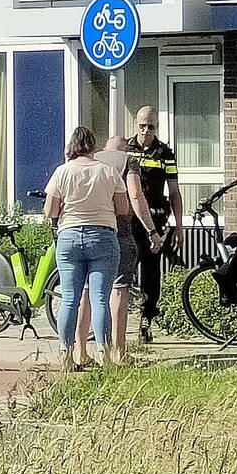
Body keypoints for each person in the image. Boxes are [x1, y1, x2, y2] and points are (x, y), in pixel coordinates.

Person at [44, 127, 129, 371]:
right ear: (94, 147)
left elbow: (51, 210)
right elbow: (122, 208)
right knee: (100, 299)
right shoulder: (108, 171)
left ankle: (66, 355)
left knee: (70, 299)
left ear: (72, 146)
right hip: (103, 236)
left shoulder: (62, 172)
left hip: (69, 237)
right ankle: (105, 354)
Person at [74, 137, 163, 365]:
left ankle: (80, 351)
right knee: (118, 289)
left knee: (86, 292)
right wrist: (151, 230)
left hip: (82, 233)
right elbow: (135, 196)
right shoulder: (128, 162)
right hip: (118, 233)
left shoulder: (87, 162)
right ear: (125, 150)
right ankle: (117, 351)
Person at [125, 106, 183, 344]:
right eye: (142, 126)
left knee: (151, 274)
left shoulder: (165, 153)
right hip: (128, 222)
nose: (146, 131)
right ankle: (115, 321)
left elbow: (175, 191)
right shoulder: (126, 150)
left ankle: (146, 320)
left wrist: (179, 226)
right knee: (124, 271)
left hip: (155, 221)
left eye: (151, 126)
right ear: (135, 125)